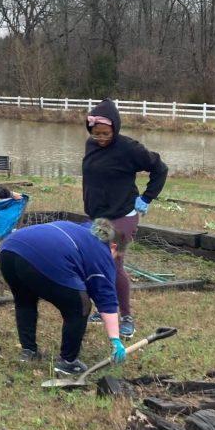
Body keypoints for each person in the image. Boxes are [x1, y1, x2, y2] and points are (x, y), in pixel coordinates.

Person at [82, 98, 168, 339]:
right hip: (98, 216)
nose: (100, 138)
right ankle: (103, 309)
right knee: (97, 262)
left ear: (115, 128)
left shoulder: (129, 148)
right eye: (96, 133)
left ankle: (127, 317)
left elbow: (160, 168)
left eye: (105, 133)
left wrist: (148, 197)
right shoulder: (91, 145)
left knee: (114, 262)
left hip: (123, 215)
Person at [0, 218, 124, 375]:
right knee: (80, 306)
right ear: (113, 247)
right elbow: (107, 299)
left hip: (9, 249)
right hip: (42, 256)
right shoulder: (102, 251)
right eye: (116, 256)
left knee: (25, 300)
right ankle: (68, 362)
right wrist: (115, 340)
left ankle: (28, 351)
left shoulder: (78, 230)